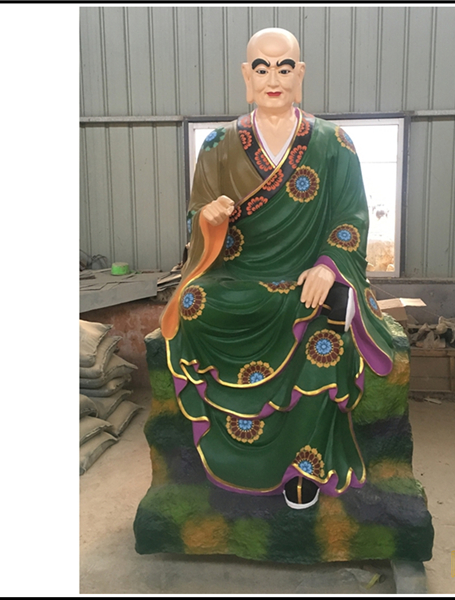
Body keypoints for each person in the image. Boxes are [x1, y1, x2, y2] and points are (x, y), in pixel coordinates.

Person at [160, 27, 395, 509]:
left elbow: (351, 217)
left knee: (326, 333)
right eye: (262, 68)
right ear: (246, 76)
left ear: (300, 74)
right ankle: (225, 452)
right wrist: (208, 220)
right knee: (194, 302)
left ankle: (304, 463)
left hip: (304, 277)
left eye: (284, 68)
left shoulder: (333, 142)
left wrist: (329, 265)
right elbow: (196, 218)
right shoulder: (218, 144)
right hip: (238, 276)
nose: (273, 79)